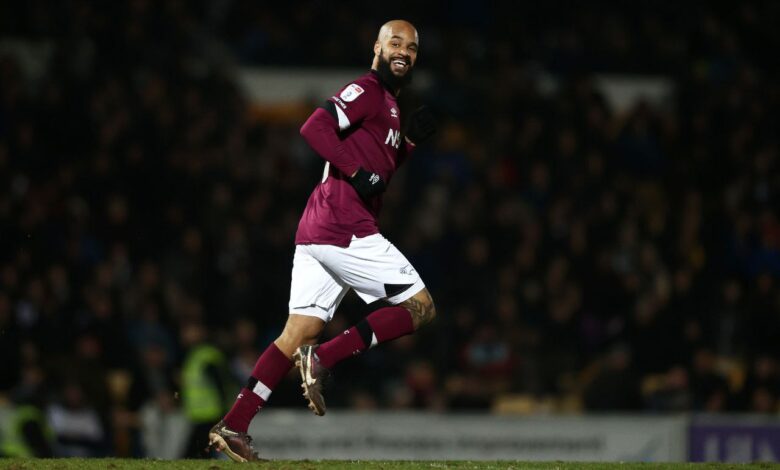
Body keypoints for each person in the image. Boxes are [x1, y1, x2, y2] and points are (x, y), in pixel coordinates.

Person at [208, 19, 437, 462]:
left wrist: (406, 143)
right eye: (395, 42)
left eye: (411, 46)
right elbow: (314, 126)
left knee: (296, 332)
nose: (403, 51)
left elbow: (377, 174)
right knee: (421, 307)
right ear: (377, 46)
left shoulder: (389, 106)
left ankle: (234, 424)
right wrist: (357, 172)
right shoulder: (368, 91)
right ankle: (325, 359)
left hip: (318, 230)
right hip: (342, 226)